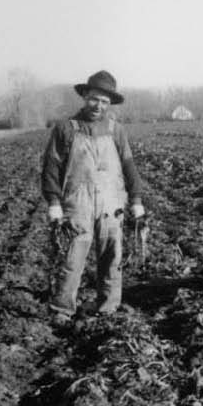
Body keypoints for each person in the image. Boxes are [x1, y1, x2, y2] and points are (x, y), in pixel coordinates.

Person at [41, 70, 145, 320]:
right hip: (77, 202)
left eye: (105, 102)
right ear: (85, 96)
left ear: (110, 105)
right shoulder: (66, 128)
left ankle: (108, 308)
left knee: (112, 255)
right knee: (72, 256)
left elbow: (129, 166)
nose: (99, 106)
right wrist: (54, 203)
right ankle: (62, 310)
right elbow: (51, 167)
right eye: (95, 99)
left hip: (112, 201)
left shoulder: (116, 130)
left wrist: (137, 200)